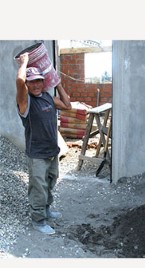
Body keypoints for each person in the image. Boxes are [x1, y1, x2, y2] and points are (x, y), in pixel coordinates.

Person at [16, 52, 72, 235]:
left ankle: (46, 209)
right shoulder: (26, 102)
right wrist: (23, 63)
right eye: (31, 81)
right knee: (38, 187)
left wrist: (58, 83)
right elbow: (19, 82)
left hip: (52, 152)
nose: (36, 85)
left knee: (50, 182)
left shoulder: (48, 97)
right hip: (37, 154)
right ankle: (38, 220)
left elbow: (67, 104)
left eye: (39, 81)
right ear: (27, 84)